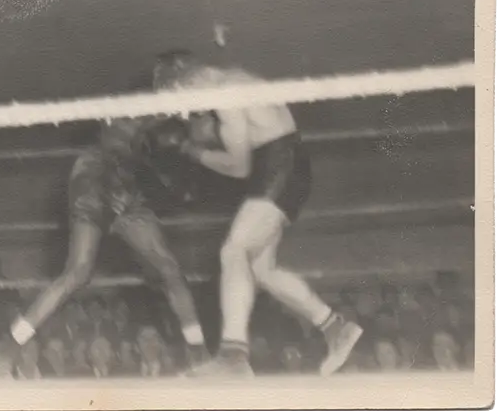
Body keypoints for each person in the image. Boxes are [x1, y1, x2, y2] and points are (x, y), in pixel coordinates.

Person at [153, 50, 362, 377]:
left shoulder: (224, 95)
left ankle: (232, 357)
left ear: (182, 85)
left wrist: (192, 151)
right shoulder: (236, 76)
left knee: (233, 251)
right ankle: (335, 327)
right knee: (261, 270)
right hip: (283, 165)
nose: (185, 114)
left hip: (278, 168)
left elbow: (239, 167)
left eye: (179, 104)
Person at [7, 117, 208, 368]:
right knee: (78, 272)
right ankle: (8, 348)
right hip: (96, 174)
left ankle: (198, 352)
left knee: (168, 267)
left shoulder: (159, 140)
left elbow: (163, 168)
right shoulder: (143, 109)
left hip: (127, 186)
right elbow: (138, 126)